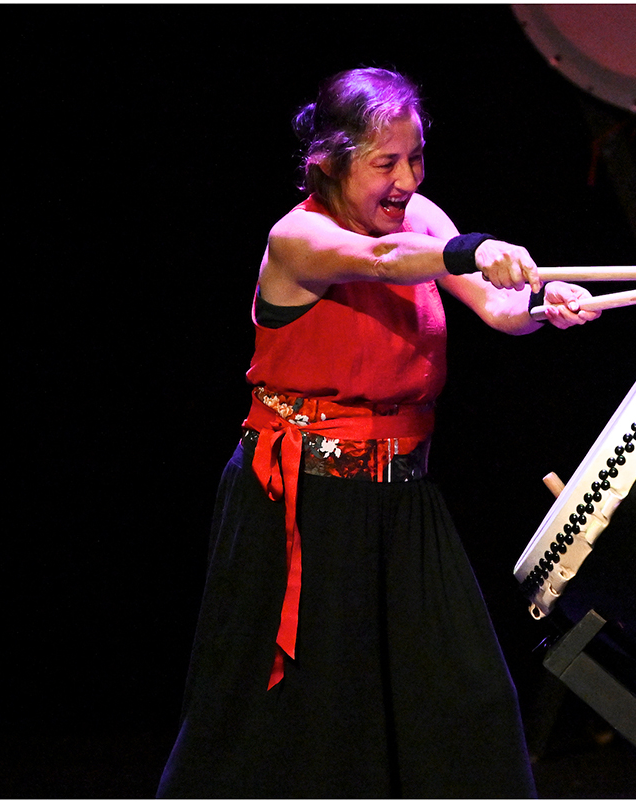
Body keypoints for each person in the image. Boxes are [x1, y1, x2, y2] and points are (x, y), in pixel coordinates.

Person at [157, 66, 598, 798]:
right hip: (301, 499)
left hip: (403, 499)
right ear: (326, 163)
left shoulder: (419, 217)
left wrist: (546, 302)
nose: (406, 178)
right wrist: (473, 248)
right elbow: (384, 264)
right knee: (289, 715)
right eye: (385, 162)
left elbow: (497, 306)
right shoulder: (297, 238)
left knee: (469, 700)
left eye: (416, 156)